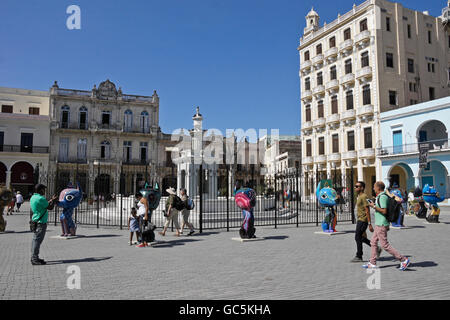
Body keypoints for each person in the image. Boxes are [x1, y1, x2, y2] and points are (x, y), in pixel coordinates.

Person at [363, 181, 411, 270]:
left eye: (374, 187)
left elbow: (384, 211)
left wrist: (373, 206)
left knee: (385, 245)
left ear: (378, 188)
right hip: (379, 223)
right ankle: (372, 262)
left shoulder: (382, 197)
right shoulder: (380, 196)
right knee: (373, 242)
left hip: (381, 223)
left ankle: (403, 259)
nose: (373, 188)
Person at [351, 182, 381, 263]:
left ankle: (359, 256)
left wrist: (369, 223)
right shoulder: (360, 196)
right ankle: (376, 248)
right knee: (361, 238)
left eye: (357, 186)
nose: (355, 187)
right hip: (360, 220)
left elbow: (367, 210)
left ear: (362, 188)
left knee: (357, 237)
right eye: (355, 186)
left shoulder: (364, 196)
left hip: (363, 220)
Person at [30, 184, 58, 265]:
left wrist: (51, 200)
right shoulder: (41, 198)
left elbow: (43, 205)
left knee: (35, 240)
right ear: (40, 190)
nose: (44, 191)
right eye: (43, 190)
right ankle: (34, 259)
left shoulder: (33, 197)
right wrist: (54, 201)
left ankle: (35, 257)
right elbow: (50, 207)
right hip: (41, 222)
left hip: (35, 220)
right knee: (37, 241)